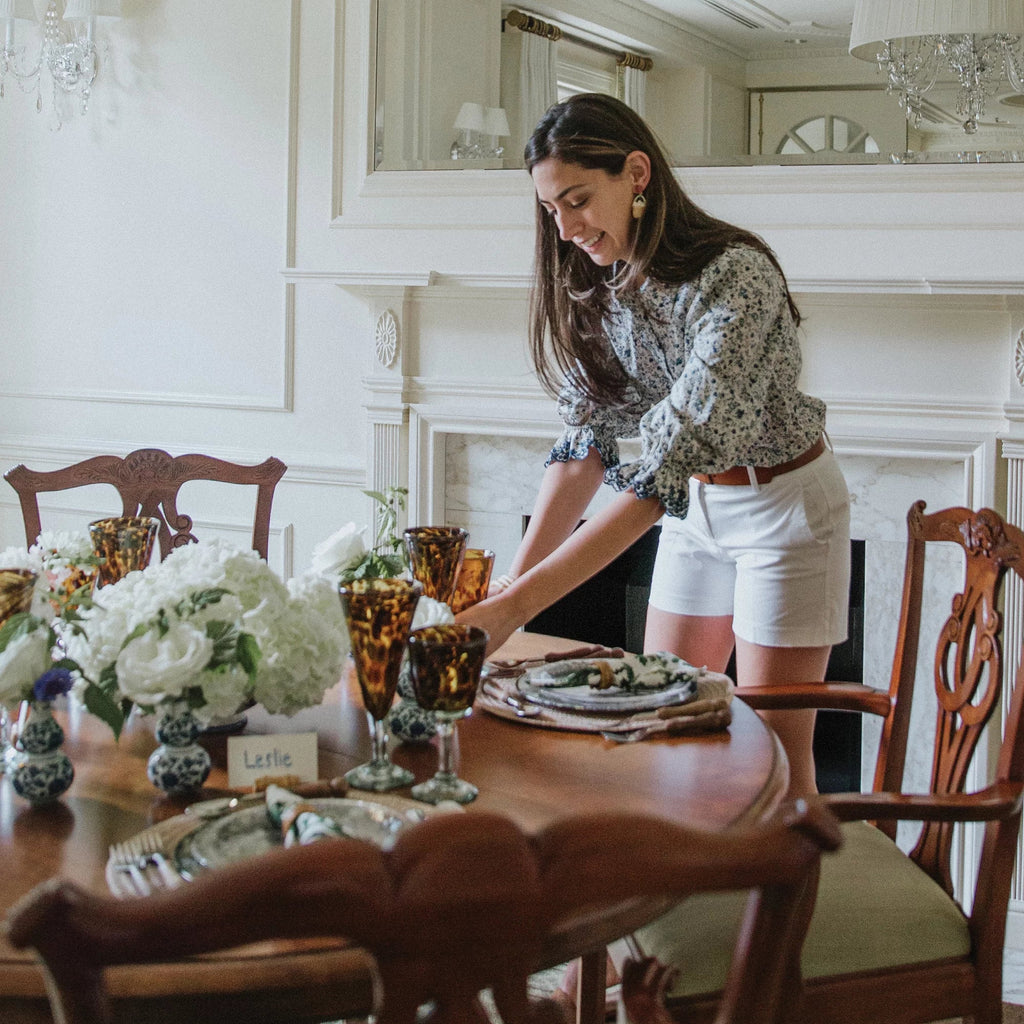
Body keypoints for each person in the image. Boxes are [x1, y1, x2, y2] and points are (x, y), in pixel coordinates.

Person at [456, 92, 850, 799]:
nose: (566, 226)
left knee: (777, 756)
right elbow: (585, 447)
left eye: (577, 200)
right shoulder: (605, 287)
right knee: (660, 718)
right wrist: (512, 590)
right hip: (697, 510)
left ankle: (783, 909)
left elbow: (659, 470)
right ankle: (688, 900)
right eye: (551, 210)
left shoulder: (737, 276)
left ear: (636, 173)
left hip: (786, 513)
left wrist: (510, 614)